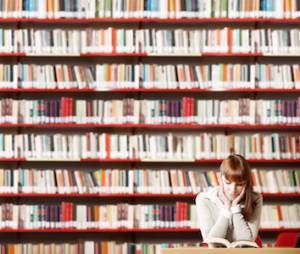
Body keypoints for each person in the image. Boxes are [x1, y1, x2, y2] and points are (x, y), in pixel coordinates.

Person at [195, 154, 263, 243]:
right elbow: (211, 241)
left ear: (246, 183)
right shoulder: (203, 199)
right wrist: (226, 209)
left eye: (239, 184)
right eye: (228, 183)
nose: (232, 190)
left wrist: (235, 209)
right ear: (221, 179)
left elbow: (247, 241)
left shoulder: (256, 199)